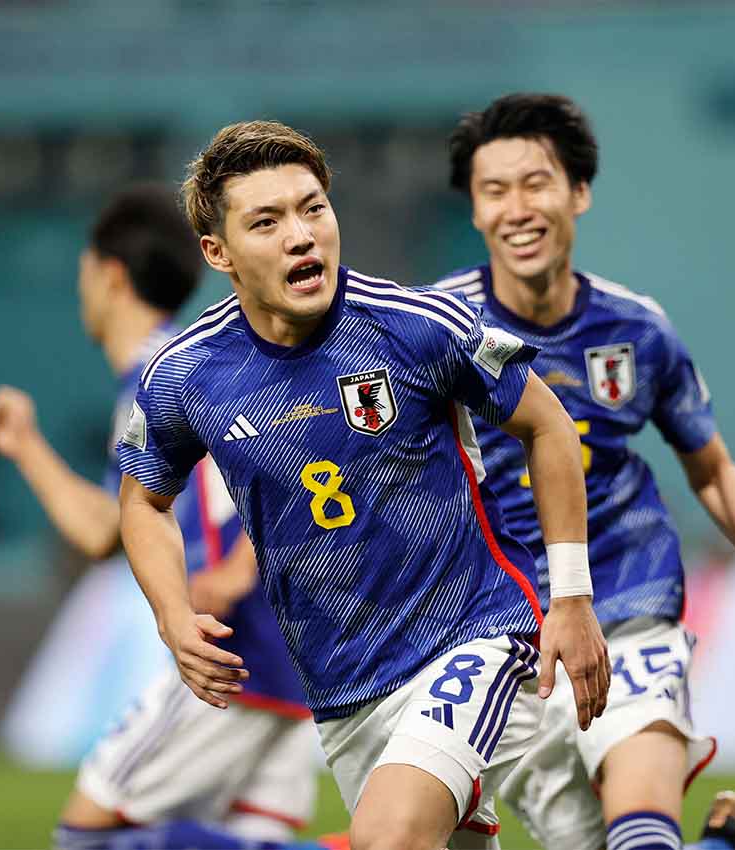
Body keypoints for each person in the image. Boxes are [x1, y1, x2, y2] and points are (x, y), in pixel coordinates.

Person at [115, 120, 611, 850]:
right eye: (267, 222)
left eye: (313, 208)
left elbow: (549, 426)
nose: (301, 235)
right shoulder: (186, 375)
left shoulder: (417, 326)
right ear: (218, 252)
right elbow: (143, 499)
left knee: (384, 839)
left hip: (472, 638)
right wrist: (171, 614)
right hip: (343, 690)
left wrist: (571, 598)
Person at [436, 93, 735, 850]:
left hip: (628, 596)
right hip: (500, 629)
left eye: (536, 183)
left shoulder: (636, 328)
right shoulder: (437, 330)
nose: (518, 209)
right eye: (495, 190)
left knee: (641, 831)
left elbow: (711, 467)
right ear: (475, 211)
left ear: (578, 192)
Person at [0, 184, 317, 850]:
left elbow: (293, 456)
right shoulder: (185, 365)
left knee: (86, 838)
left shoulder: (161, 375)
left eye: (83, 270)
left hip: (233, 646)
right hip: (286, 647)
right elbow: (107, 531)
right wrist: (27, 446)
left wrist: (238, 569)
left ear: (109, 275)